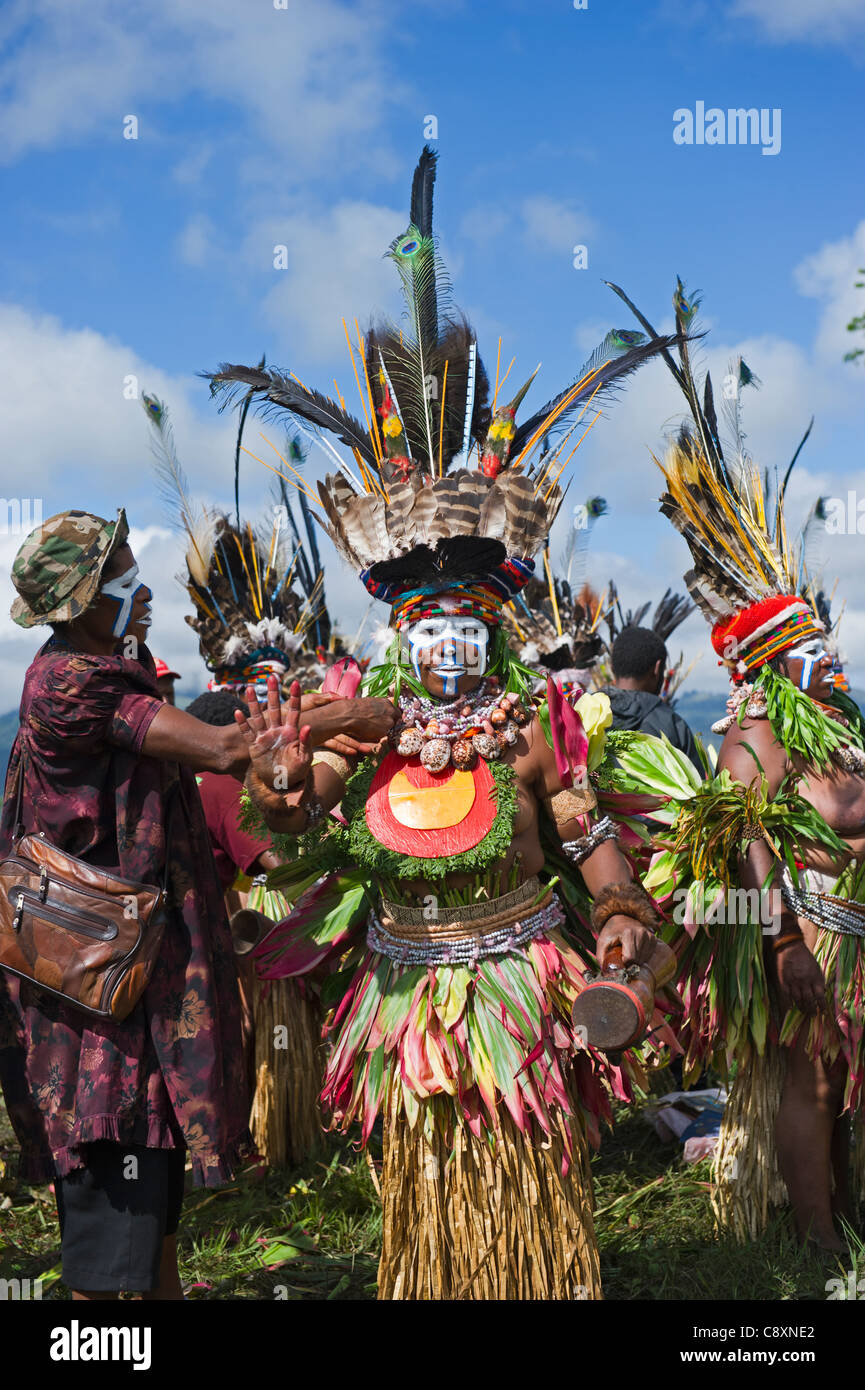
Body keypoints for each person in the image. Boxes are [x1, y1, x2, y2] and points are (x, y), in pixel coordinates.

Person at [207, 145, 678, 1299]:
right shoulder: (364, 729)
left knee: (524, 1172)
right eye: (429, 628)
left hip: (519, 971)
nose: (450, 645)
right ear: (399, 636)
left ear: (496, 629)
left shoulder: (534, 722)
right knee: (430, 1180)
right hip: (406, 990)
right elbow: (302, 808)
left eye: (468, 623)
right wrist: (277, 783)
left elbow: (581, 827)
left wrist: (616, 906)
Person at [0, 509, 393, 1300]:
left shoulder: (111, 663)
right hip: (97, 991)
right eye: (117, 579)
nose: (140, 591)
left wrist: (303, 747)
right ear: (79, 604)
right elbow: (220, 746)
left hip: (135, 974)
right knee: (113, 1164)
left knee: (155, 1196)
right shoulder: (72, 682)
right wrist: (338, 715)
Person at [609, 277, 865, 1250]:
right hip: (805, 941)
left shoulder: (834, 720)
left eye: (826, 644)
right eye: (809, 649)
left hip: (852, 939)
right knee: (805, 1078)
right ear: (767, 661)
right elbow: (743, 842)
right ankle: (812, 1234)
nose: (828, 659)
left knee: (841, 1082)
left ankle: (841, 1209)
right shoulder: (752, 731)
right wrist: (784, 944)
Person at [604, 625, 702, 772]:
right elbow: (699, 789)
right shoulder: (673, 725)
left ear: (611, 668)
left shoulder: (582, 715)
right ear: (657, 669)